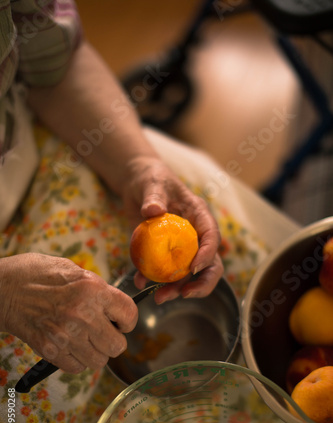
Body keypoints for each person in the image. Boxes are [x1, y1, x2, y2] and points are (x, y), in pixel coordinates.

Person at [0, 0, 223, 376]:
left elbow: (54, 62)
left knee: (216, 205)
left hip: (28, 153)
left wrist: (137, 166)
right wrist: (7, 294)